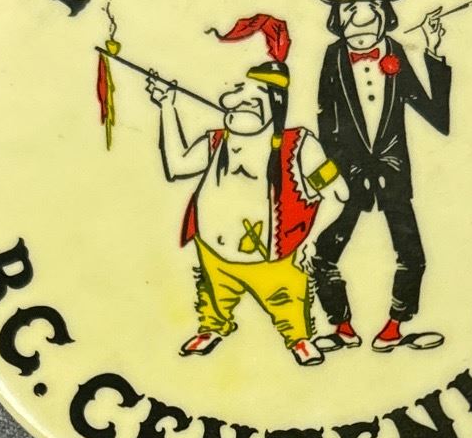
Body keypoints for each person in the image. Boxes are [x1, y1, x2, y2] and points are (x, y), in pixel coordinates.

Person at [147, 27, 348, 367]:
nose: (242, 102)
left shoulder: (298, 145)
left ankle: (299, 338)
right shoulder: (215, 141)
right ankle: (213, 326)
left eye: (255, 99)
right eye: (239, 94)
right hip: (214, 252)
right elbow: (177, 166)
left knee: (287, 297)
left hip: (275, 257)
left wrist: (311, 240)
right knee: (213, 292)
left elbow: (338, 193)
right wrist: (168, 107)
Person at [312, 0, 451, 352]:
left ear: (385, 14)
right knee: (323, 254)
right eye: (351, 9)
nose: (362, 19)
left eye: (372, 7)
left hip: (393, 172)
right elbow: (325, 122)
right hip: (349, 173)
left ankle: (393, 328)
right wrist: (332, 174)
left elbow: (437, 118)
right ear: (338, 17)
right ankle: (342, 327)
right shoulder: (333, 57)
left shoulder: (396, 54)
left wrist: (433, 52)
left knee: (413, 256)